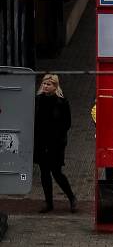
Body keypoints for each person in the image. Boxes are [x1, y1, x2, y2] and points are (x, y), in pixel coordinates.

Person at [34, 74, 77, 214]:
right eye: (44, 84)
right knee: (44, 173)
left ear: (55, 86)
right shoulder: (38, 100)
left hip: (56, 143)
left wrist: (57, 137)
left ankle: (71, 197)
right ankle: (48, 202)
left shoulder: (62, 102)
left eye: (49, 84)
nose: (45, 86)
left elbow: (67, 123)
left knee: (57, 172)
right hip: (41, 142)